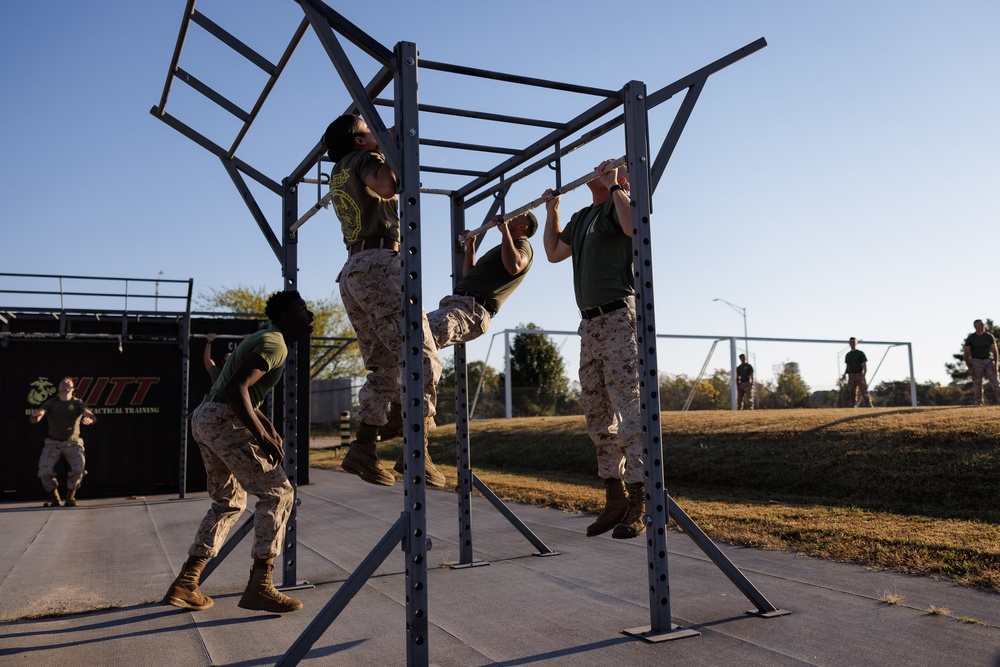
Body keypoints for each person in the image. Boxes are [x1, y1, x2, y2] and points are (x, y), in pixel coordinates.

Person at [162, 290, 313, 614]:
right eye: (303, 310)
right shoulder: (275, 343)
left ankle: (187, 583)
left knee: (229, 501)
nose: (309, 315)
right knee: (278, 494)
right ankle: (260, 586)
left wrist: (266, 425)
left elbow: (236, 390)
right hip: (223, 419)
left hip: (206, 417)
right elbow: (235, 390)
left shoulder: (265, 337)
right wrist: (260, 436)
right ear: (286, 317)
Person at [323, 114, 444, 488]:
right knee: (423, 356)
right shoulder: (365, 161)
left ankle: (363, 447)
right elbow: (389, 186)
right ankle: (416, 452)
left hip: (355, 269)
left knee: (385, 367)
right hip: (379, 265)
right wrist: (393, 149)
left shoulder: (339, 170)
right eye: (369, 130)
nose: (376, 134)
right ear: (359, 141)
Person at [542, 158, 645, 540]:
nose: (603, 168)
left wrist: (618, 185)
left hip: (619, 316)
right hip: (589, 323)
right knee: (598, 414)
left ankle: (641, 498)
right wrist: (553, 211)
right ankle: (614, 496)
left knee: (630, 410)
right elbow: (553, 252)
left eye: (617, 166)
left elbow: (635, 227)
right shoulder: (584, 215)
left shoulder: (624, 204)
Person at [380, 213, 537, 441]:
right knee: (404, 337)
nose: (510, 215)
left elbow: (514, 266)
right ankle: (397, 411)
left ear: (523, 225)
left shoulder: (523, 245)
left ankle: (420, 420)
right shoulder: (501, 247)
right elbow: (469, 274)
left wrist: (505, 234)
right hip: (457, 303)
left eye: (518, 215)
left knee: (418, 338)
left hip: (472, 310)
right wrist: (471, 247)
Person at [29, 377, 96, 507]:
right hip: (53, 443)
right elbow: (38, 416)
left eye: (68, 383)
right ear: (59, 388)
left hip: (73, 443)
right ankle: (54, 498)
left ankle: (71, 496)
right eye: (63, 383)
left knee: (78, 469)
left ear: (72, 389)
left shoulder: (78, 403)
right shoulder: (51, 403)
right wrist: (35, 417)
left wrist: (90, 419)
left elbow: (90, 415)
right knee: (44, 472)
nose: (65, 384)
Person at [963, 319, 1000, 405]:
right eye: (980, 325)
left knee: (995, 381)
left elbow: (995, 351)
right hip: (976, 361)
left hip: (988, 360)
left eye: (983, 324)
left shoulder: (989, 337)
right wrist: (969, 367)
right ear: (975, 326)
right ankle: (978, 402)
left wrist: (995, 365)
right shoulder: (971, 338)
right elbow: (966, 353)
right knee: (977, 383)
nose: (983, 326)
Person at [842, 337, 874, 407]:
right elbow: (847, 366)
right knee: (851, 392)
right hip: (851, 375)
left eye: (853, 342)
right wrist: (844, 374)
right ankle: (852, 406)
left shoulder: (860, 353)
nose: (852, 343)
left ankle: (869, 405)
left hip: (859, 374)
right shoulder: (848, 355)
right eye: (851, 342)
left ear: (856, 343)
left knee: (864, 391)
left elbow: (865, 364)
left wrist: (864, 374)